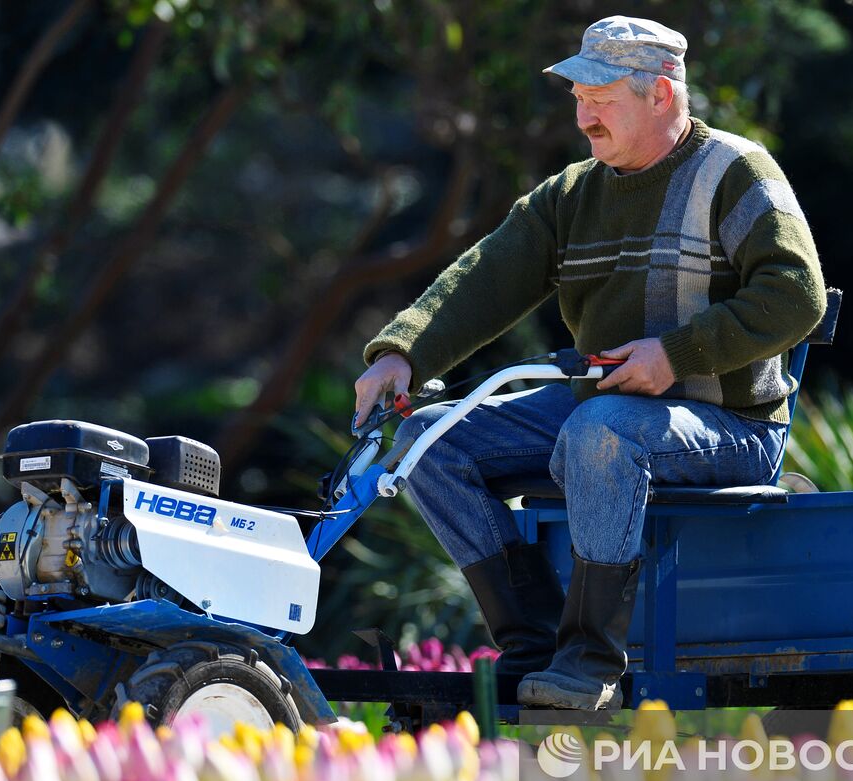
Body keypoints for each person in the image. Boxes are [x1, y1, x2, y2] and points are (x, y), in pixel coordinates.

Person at [353, 15, 826, 710]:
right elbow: (485, 277)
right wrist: (402, 350)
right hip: (605, 415)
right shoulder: (573, 193)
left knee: (599, 431)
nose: (583, 118)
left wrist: (675, 355)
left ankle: (590, 663)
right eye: (578, 99)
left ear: (661, 94)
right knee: (426, 442)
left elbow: (798, 295)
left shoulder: (735, 170)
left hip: (732, 429)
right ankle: (535, 644)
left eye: (600, 101)